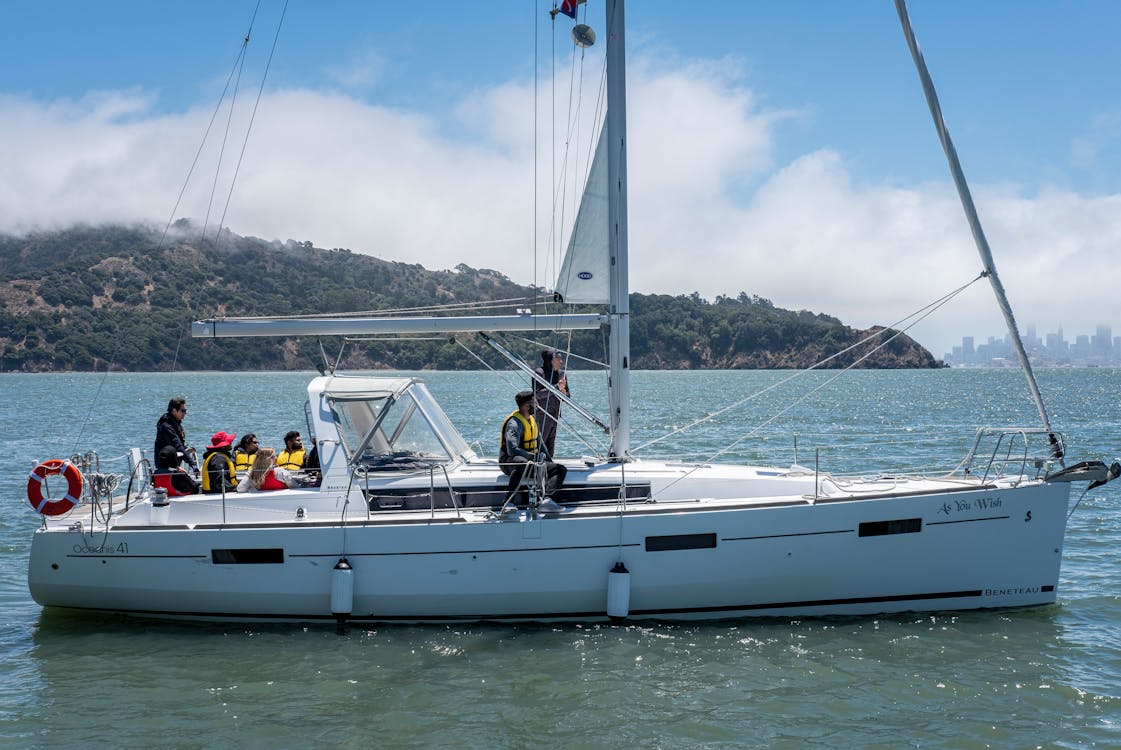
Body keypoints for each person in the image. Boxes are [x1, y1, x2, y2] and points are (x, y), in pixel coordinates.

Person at [499, 390, 566, 512]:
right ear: (526, 406)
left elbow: (541, 445)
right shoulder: (514, 424)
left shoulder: (532, 421)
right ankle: (508, 503)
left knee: (560, 469)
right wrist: (532, 457)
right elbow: (512, 449)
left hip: (530, 461)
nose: (537, 405)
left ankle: (547, 500)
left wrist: (550, 462)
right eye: (535, 403)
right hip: (509, 462)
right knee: (521, 463)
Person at [534, 349, 570, 458]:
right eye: (558, 359)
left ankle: (549, 464)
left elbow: (567, 397)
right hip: (542, 414)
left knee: (551, 444)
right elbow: (537, 394)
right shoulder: (540, 372)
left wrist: (564, 392)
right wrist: (556, 387)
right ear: (551, 361)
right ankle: (537, 464)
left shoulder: (561, 374)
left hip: (555, 414)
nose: (561, 362)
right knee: (540, 443)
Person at [154, 397, 198, 474]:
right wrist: (192, 464)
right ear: (174, 411)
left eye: (185, 410)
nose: (185, 413)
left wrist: (187, 449)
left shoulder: (176, 424)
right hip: (165, 467)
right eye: (183, 410)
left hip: (173, 464)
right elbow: (177, 445)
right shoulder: (166, 427)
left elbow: (179, 445)